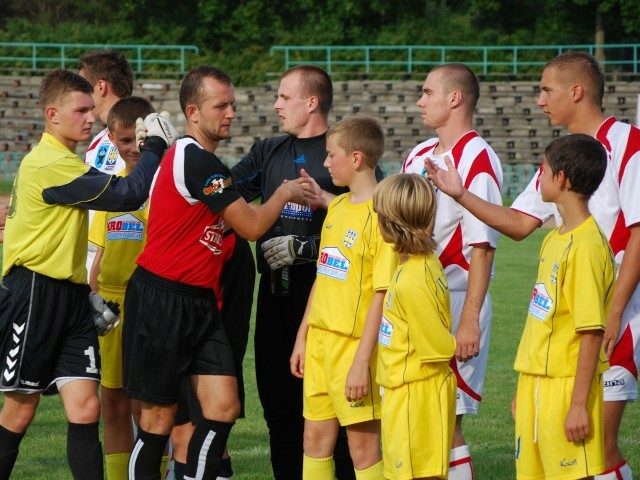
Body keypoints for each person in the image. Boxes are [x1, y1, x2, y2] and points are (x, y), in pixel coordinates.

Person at [424, 52, 638, 480]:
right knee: (566, 447)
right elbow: (521, 223)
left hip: (620, 318)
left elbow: (638, 233)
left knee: (598, 447)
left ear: (575, 91)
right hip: (563, 333)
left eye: (545, 89)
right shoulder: (560, 158)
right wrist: (461, 195)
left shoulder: (626, 142)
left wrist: (614, 313)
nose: (539, 100)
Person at [121, 66, 307, 480]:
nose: (230, 113)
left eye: (232, 105)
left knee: (223, 407)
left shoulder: (207, 163)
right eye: (220, 105)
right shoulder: (194, 160)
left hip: (201, 302)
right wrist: (284, 191)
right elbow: (254, 227)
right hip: (161, 299)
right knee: (157, 423)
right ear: (193, 111)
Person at [0, 69, 176, 479]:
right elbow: (128, 195)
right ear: (52, 114)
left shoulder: (65, 161)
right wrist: (154, 147)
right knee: (20, 409)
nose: (90, 119)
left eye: (91, 110)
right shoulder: (48, 164)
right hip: (34, 293)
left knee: (87, 407)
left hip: (72, 295)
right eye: (81, 111)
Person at [231, 64, 356, 480]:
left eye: (285, 97)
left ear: (312, 102)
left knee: (334, 419)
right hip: (274, 302)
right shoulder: (267, 151)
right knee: (279, 415)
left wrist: (306, 249)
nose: (276, 105)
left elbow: (370, 228)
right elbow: (222, 195)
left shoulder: (344, 153)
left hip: (329, 305)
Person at [400, 63, 503, 479]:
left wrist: (469, 322)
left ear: (455, 98)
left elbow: (482, 247)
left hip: (454, 300)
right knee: (413, 414)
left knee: (446, 419)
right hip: (410, 301)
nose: (420, 101)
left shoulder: (478, 158)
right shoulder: (418, 154)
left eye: (427, 92)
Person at [289, 116, 395, 479]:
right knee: (313, 440)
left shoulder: (383, 217)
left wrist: (362, 361)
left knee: (362, 448)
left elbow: (381, 295)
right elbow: (323, 276)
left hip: (354, 350)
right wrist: (303, 336)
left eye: (331, 155)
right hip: (320, 344)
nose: (324, 163)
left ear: (357, 158)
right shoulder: (336, 207)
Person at [512, 134, 614, 478]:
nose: (538, 175)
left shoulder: (586, 246)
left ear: (563, 178)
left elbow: (590, 331)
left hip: (567, 388)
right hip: (535, 384)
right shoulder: (555, 238)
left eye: (543, 168)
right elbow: (541, 317)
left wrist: (577, 405)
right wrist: (524, 388)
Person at [87, 96, 155, 480]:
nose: (133, 148)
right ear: (112, 140)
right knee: (111, 401)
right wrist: (93, 297)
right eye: (124, 141)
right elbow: (98, 252)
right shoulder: (110, 188)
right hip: (111, 305)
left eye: (139, 140)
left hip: (149, 300)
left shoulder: (163, 184)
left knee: (147, 404)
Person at [373, 173, 457, 480]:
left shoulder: (413, 280)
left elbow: (436, 348)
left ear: (391, 221)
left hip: (417, 396)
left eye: (378, 214)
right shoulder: (417, 263)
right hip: (403, 392)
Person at [170, 230, 256, 480]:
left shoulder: (229, 241)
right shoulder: (184, 227)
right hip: (177, 335)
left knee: (208, 430)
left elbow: (234, 323)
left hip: (208, 347)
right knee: (181, 434)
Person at [79, 49, 134, 273]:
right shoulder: (98, 141)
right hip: (89, 257)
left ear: (100, 87)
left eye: (82, 87)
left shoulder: (146, 135)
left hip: (122, 261)